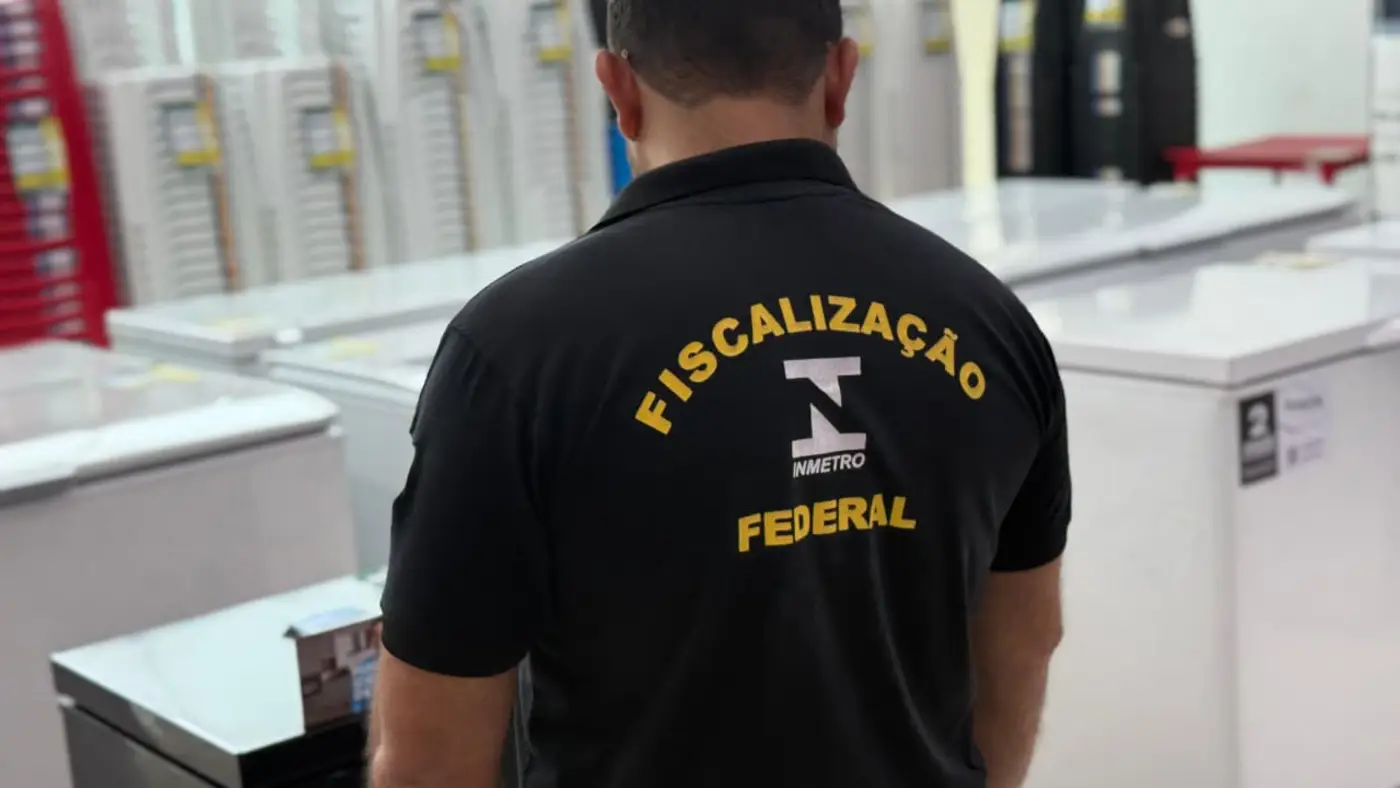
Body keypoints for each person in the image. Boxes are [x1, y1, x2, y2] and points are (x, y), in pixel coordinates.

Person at [368, 0, 1070, 786]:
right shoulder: (988, 322)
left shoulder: (516, 351)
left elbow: (428, 762)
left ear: (617, 89)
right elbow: (1025, 642)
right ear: (841, 77)